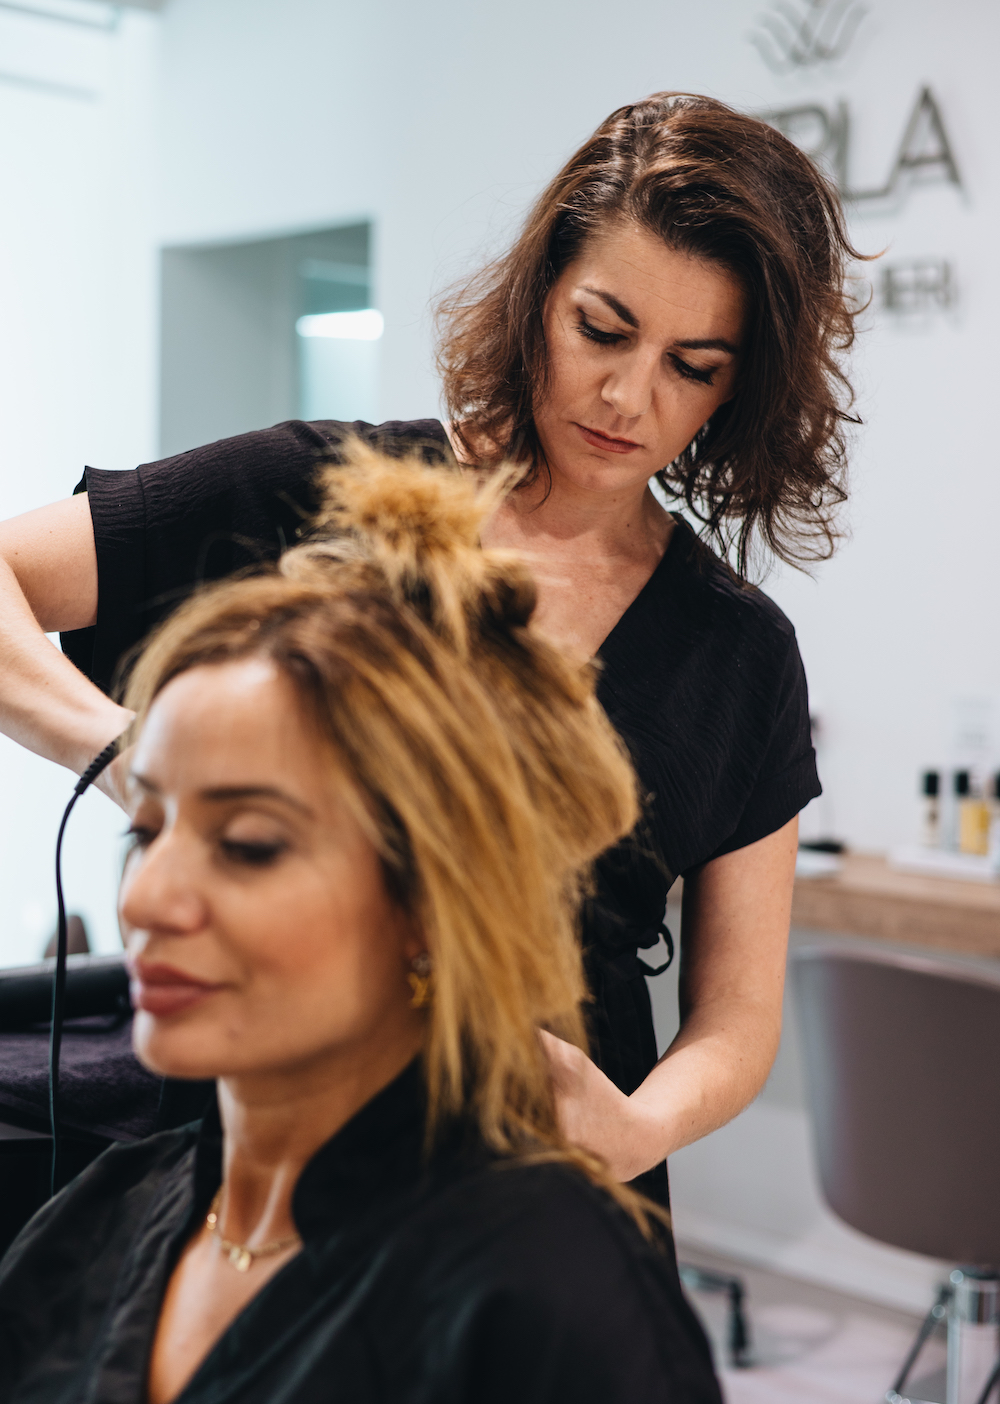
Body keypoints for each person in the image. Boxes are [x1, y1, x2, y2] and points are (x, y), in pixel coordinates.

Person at [0, 91, 861, 1204]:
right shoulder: (324, 493)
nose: (627, 396)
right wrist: (128, 758)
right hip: (255, 1135)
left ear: (739, 386)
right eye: (602, 330)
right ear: (539, 298)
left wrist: (637, 1125)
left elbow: (737, 1019)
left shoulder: (738, 652)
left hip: (530, 1182)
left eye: (691, 366)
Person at [0, 447, 721, 1403]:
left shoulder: (546, 1299)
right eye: (149, 830)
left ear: (430, 906)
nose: (145, 902)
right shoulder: (98, 1216)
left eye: (248, 845)